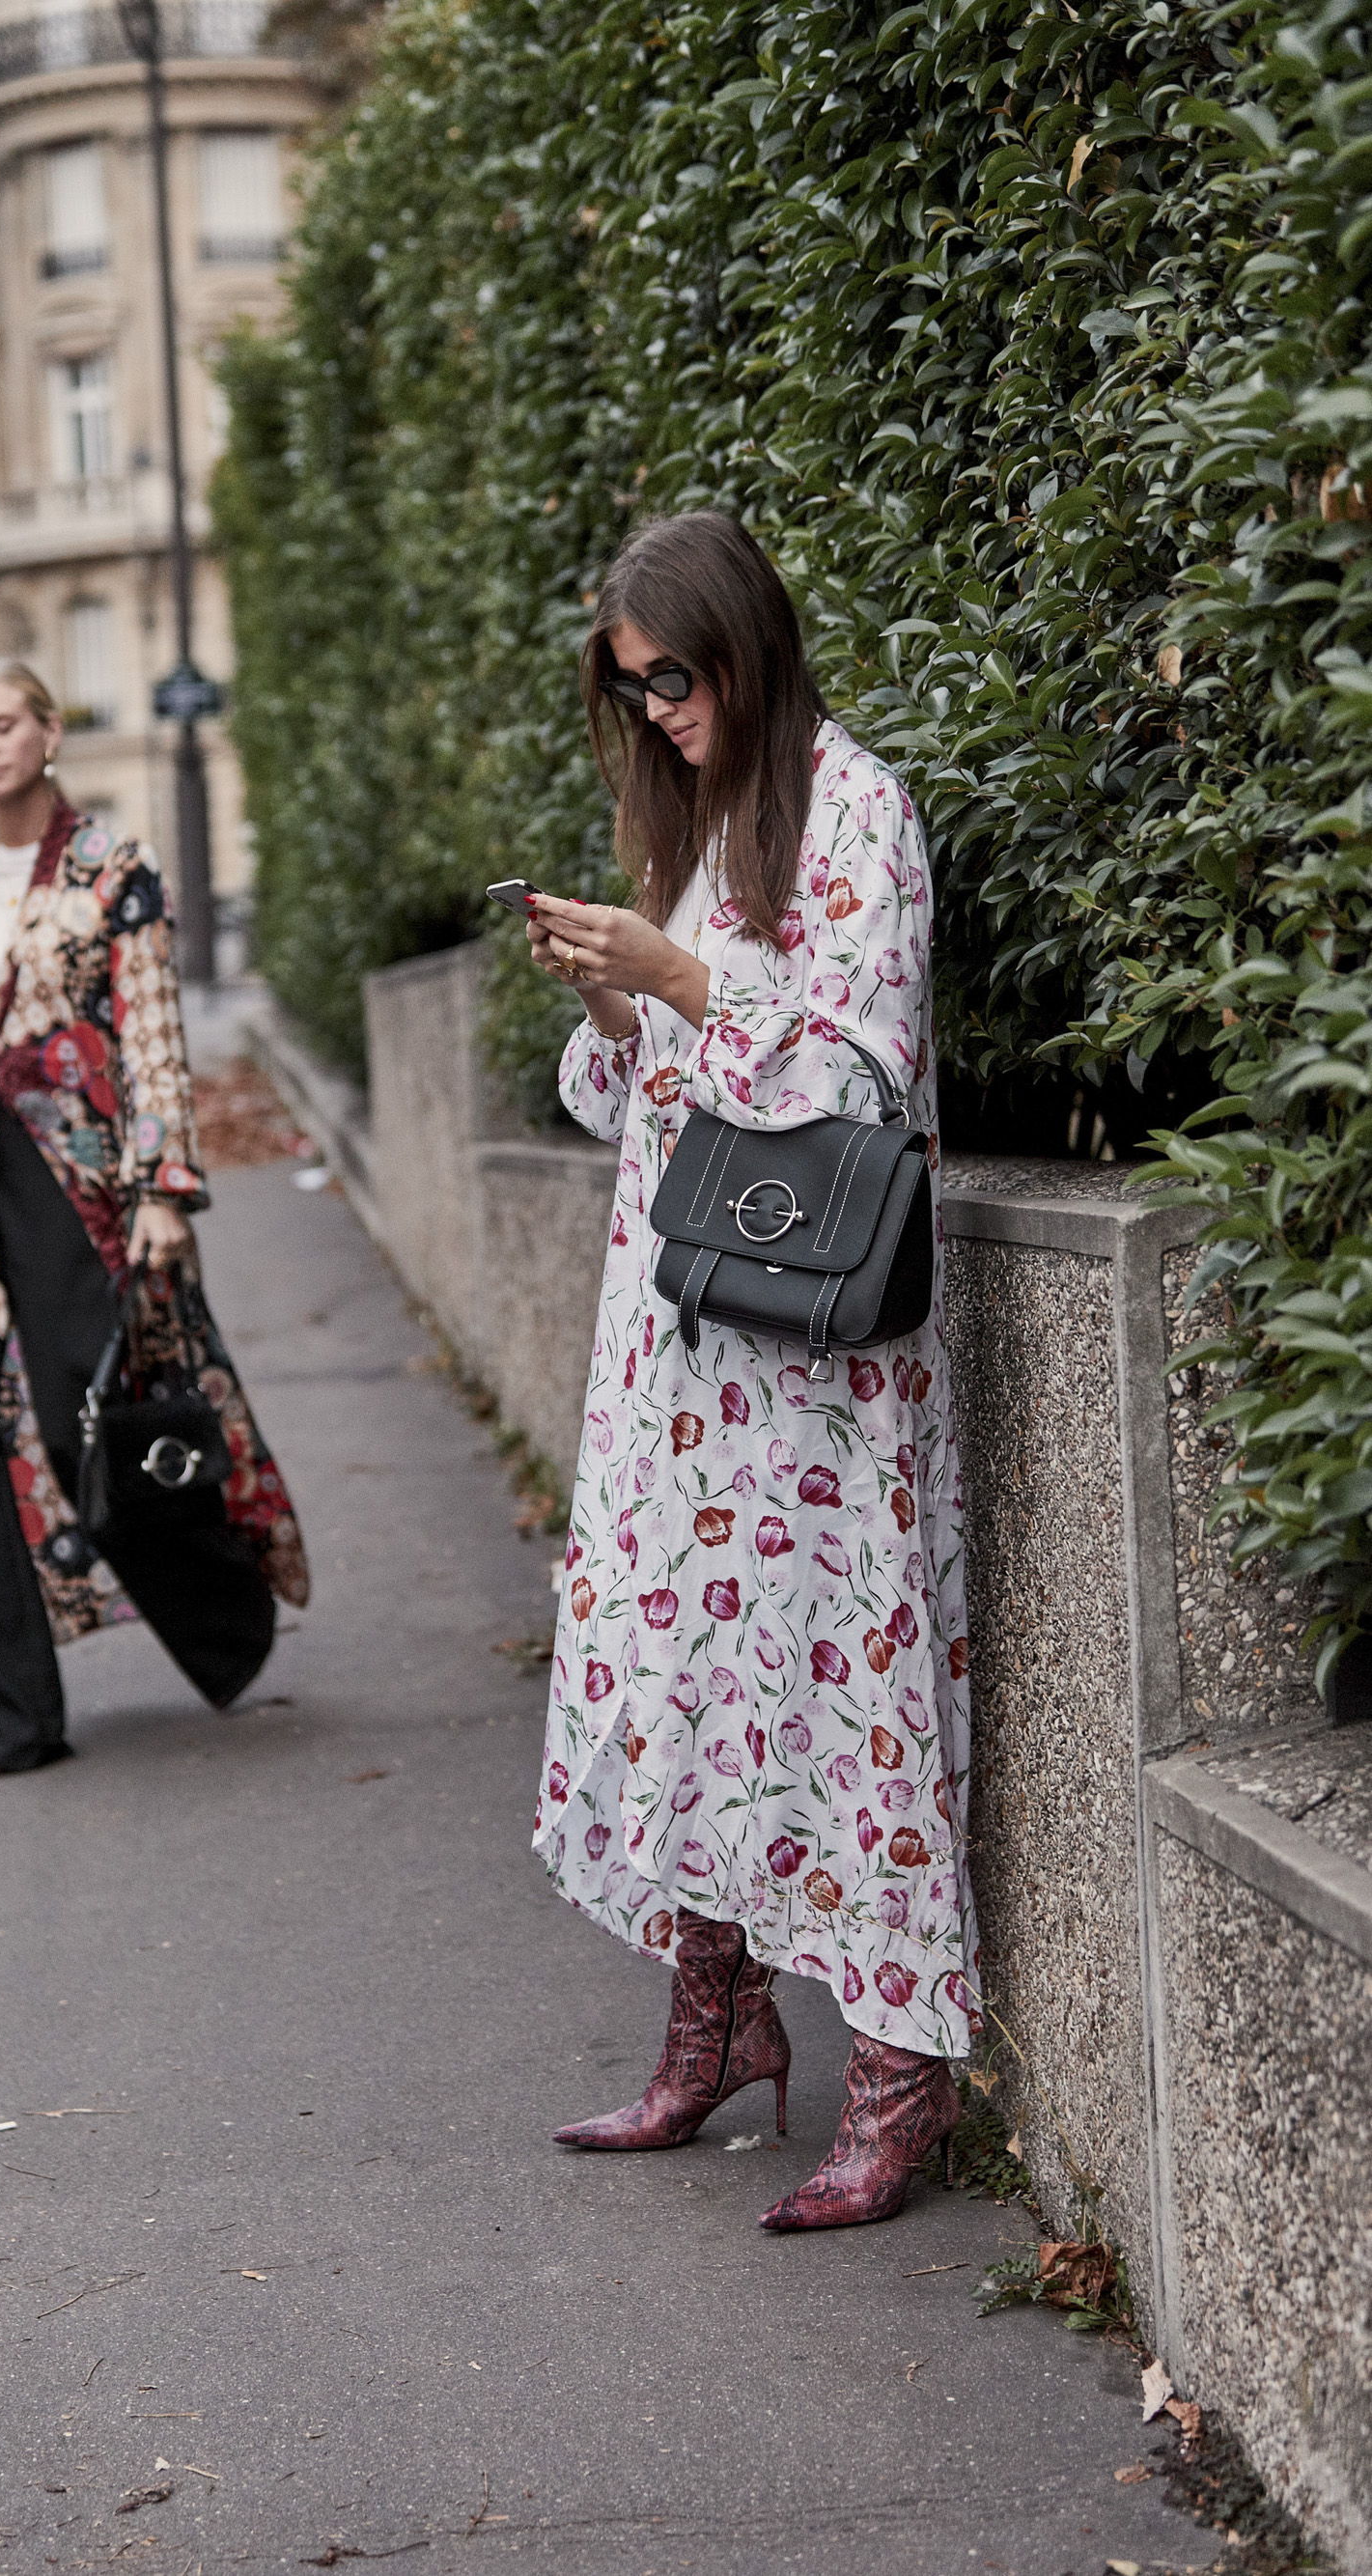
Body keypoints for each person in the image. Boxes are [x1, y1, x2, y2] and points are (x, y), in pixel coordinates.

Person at [522, 511, 976, 2229]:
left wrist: (686, 980)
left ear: (745, 646)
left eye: (675, 676)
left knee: (852, 1701)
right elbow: (613, 1102)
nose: (656, 711)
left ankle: (895, 2072)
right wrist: (622, 1001)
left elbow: (862, 1073)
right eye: (631, 690)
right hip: (682, 1345)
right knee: (686, 1672)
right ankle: (713, 2028)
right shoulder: (696, 828)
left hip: (823, 1359)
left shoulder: (855, 810)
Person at [0, 658, 308, 1780]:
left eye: (4, 723)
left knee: (87, 1414)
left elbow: (153, 1032)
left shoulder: (117, 867)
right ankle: (1, 1719)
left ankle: (224, 1616)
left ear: (49, 731)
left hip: (77, 1180)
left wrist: (165, 1189)